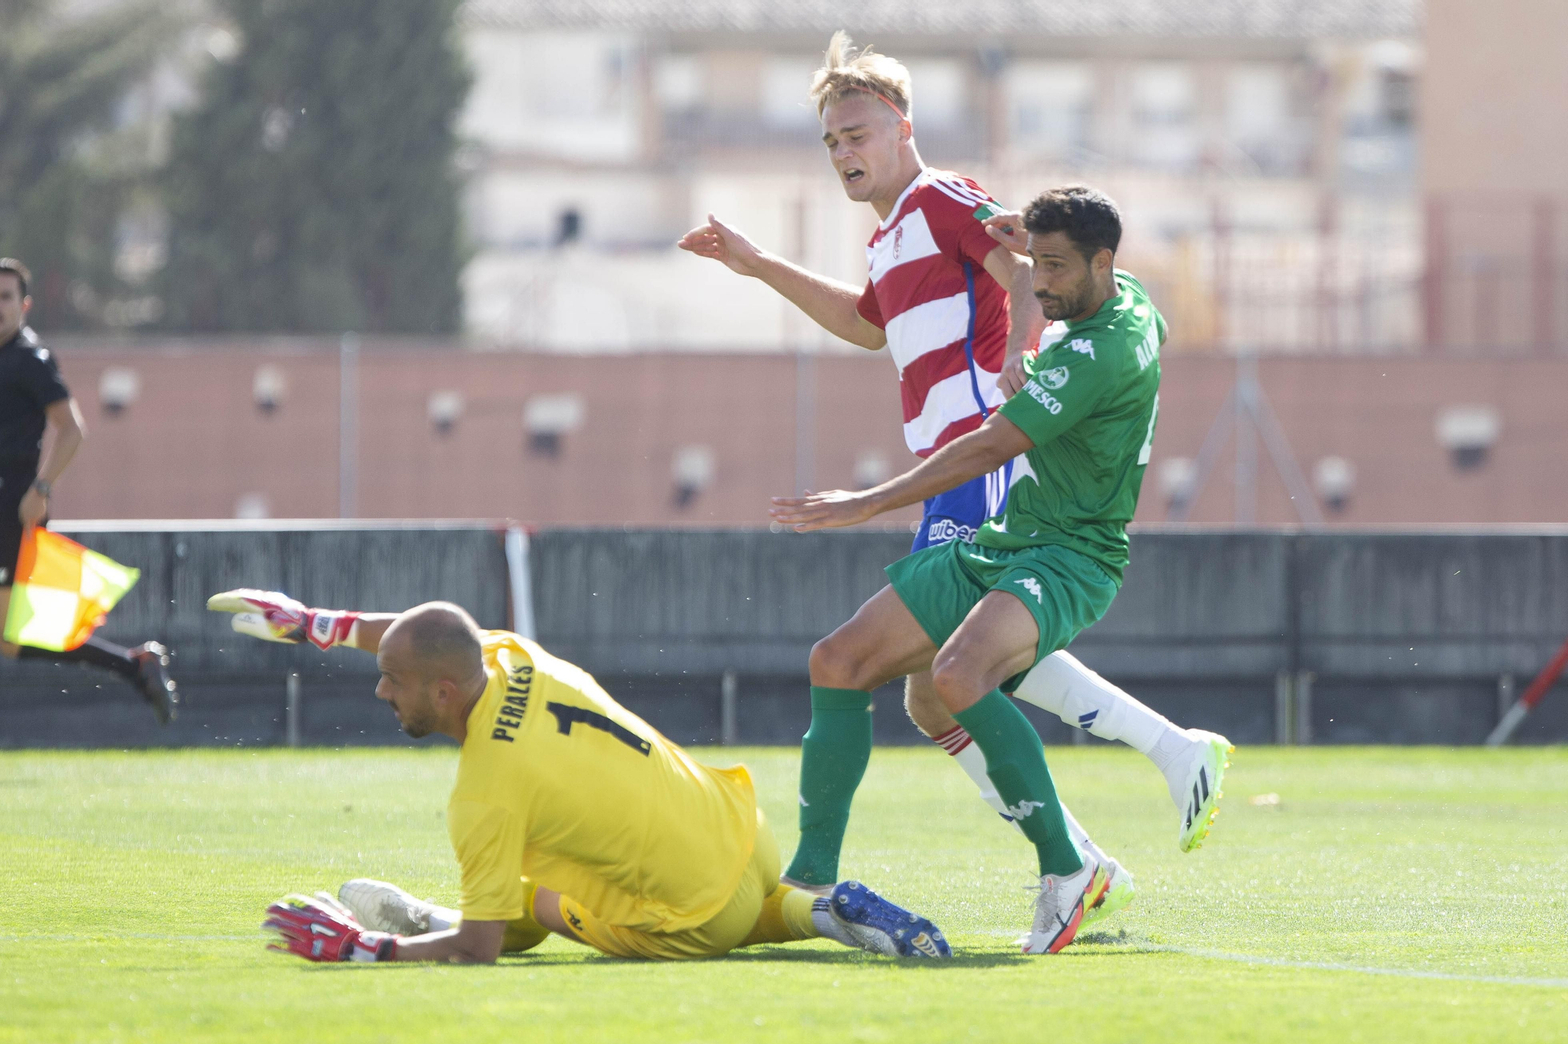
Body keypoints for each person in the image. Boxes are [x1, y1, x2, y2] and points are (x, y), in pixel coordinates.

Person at [678, 34, 1230, 902]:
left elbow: (1018, 264)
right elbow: (868, 325)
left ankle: (1147, 778)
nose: (843, 154)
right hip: (954, 467)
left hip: (986, 463)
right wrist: (757, 266)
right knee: (934, 695)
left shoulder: (940, 197)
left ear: (901, 128)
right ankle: (1090, 848)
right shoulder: (893, 234)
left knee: (949, 669)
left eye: (856, 134)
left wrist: (1023, 343)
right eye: (831, 142)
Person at [769, 186, 1230, 954]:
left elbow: (988, 447)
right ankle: (810, 879)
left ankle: (1069, 868)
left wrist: (868, 502)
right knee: (839, 661)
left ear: (1101, 262)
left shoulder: (1094, 353)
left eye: (1053, 267)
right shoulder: (1131, 301)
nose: (1038, 282)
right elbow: (1095, 293)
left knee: (958, 679)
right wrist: (1030, 252)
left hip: (1074, 555)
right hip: (1012, 538)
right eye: (1032, 261)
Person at [208, 591, 951, 963]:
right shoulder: (509, 653)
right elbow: (431, 636)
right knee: (568, 875)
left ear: (440, 694)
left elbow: (478, 949)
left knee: (526, 904)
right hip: (742, 829)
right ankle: (822, 911)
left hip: (694, 915)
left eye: (390, 682)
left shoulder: (483, 792)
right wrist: (316, 623)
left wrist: (357, 950)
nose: (379, 692)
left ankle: (418, 918)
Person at [0, 258, 176, 721]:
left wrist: (40, 488)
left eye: (5, 298)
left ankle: (133, 664)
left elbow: (72, 429)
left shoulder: (29, 358)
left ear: (23, 305)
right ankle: (133, 664)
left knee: (10, 640)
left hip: (8, 509)